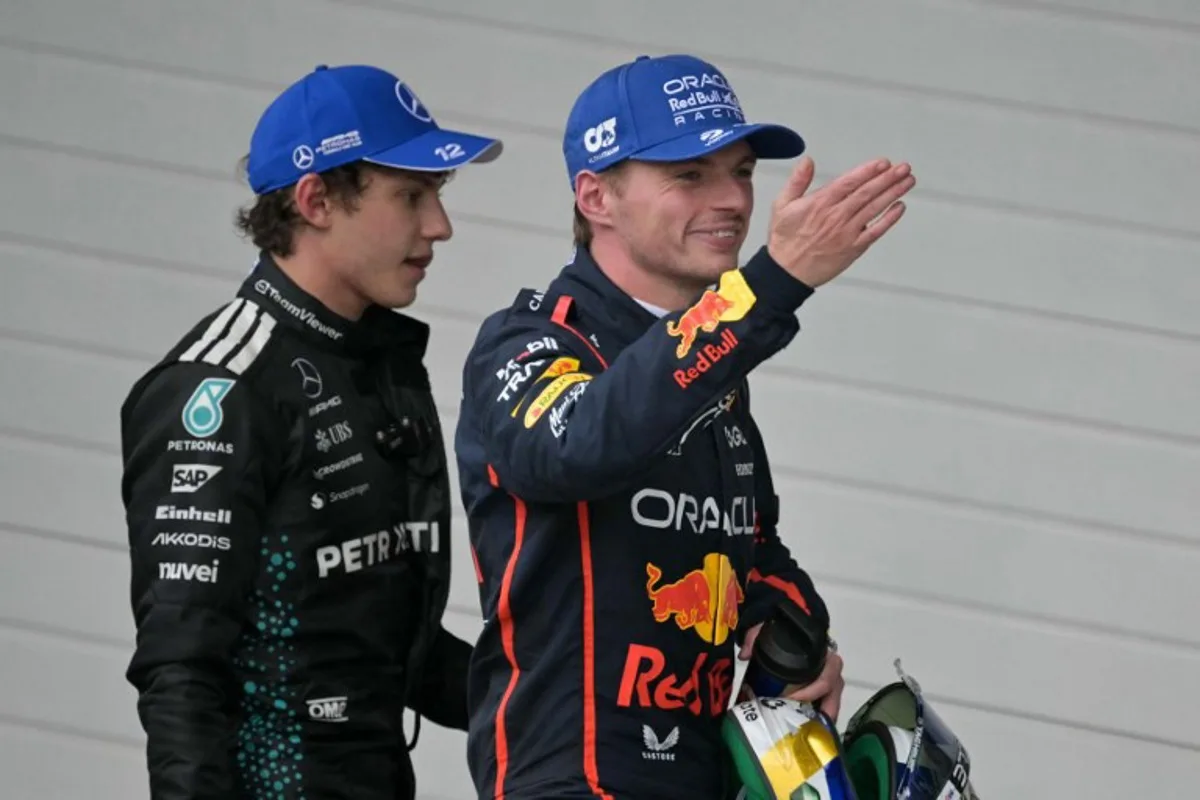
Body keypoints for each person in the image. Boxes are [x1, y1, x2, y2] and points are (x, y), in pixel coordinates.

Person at [454, 53, 915, 800]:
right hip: (572, 779)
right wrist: (770, 284)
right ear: (596, 197)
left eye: (741, 172)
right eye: (690, 175)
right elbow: (575, 447)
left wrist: (796, 633)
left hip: (699, 774)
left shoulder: (712, 364)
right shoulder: (530, 341)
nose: (731, 199)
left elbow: (746, 547)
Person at [119, 63, 503, 800]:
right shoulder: (220, 388)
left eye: (438, 195)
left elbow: (390, 643)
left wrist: (577, 703)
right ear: (315, 200)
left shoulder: (379, 361)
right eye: (411, 195)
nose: (440, 226)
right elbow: (182, 671)